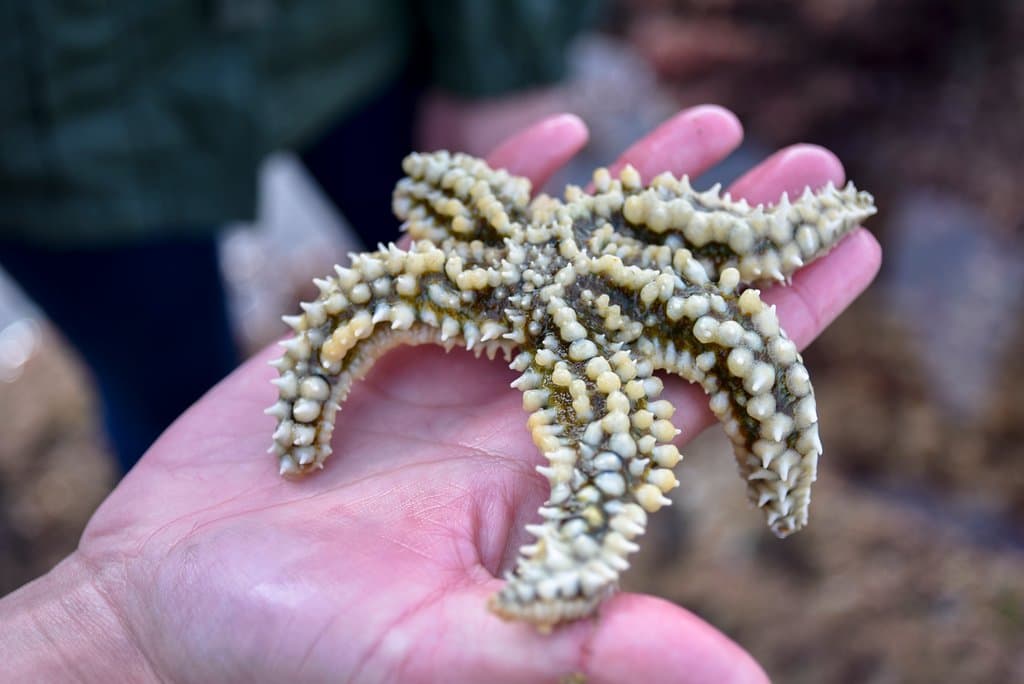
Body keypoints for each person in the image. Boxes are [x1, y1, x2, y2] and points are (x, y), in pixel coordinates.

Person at [0, 107, 882, 682]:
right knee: (163, 364)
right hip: (82, 182)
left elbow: (750, 239)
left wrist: (810, 222)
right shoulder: (511, 253)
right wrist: (112, 622)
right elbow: (383, 263)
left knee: (690, 387)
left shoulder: (564, 234)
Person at [0, 1, 600, 472]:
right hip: (55, 125)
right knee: (174, 413)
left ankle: (544, 489)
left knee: (486, 344)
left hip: (345, 35)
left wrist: (501, 56)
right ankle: (196, 567)